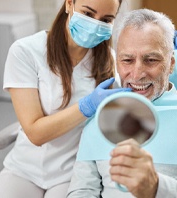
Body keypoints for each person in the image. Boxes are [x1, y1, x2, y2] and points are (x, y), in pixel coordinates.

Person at [0, 0, 131, 198]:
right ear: (69, 4)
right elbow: (35, 133)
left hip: (72, 172)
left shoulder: (110, 61)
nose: (96, 24)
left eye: (106, 20)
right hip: (24, 168)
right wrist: (87, 106)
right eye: (88, 14)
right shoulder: (26, 51)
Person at [67, 9, 177, 198]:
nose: (137, 74)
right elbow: (82, 189)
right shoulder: (100, 117)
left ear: (171, 64)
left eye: (150, 60)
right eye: (127, 60)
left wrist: (157, 187)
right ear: (117, 62)